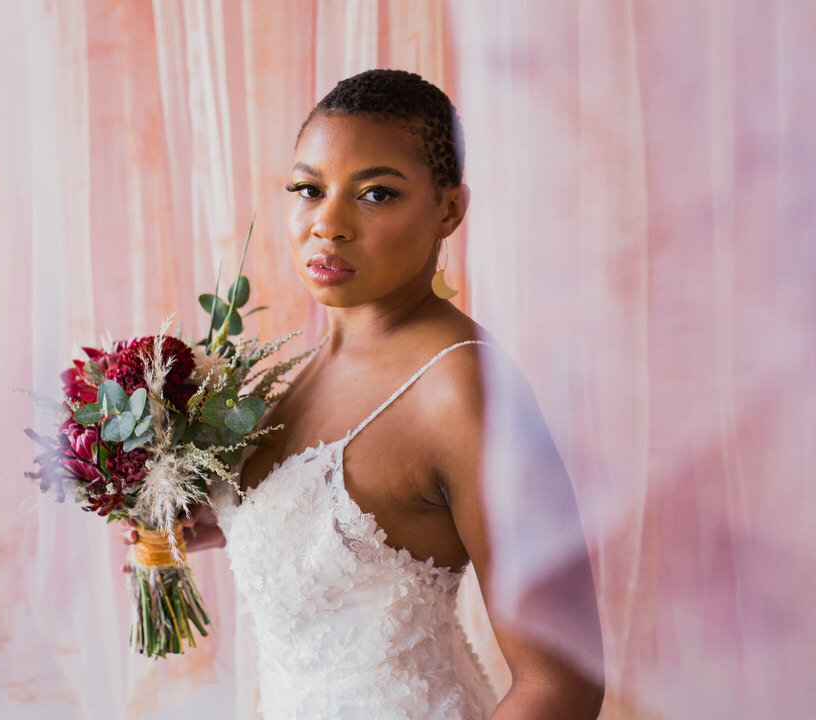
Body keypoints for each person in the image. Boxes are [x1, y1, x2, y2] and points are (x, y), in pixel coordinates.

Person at [178, 69, 603, 719]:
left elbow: (564, 683)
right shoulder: (310, 359)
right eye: (308, 189)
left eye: (376, 194)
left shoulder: (465, 392)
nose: (328, 223)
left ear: (450, 210)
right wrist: (225, 516)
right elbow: (357, 539)